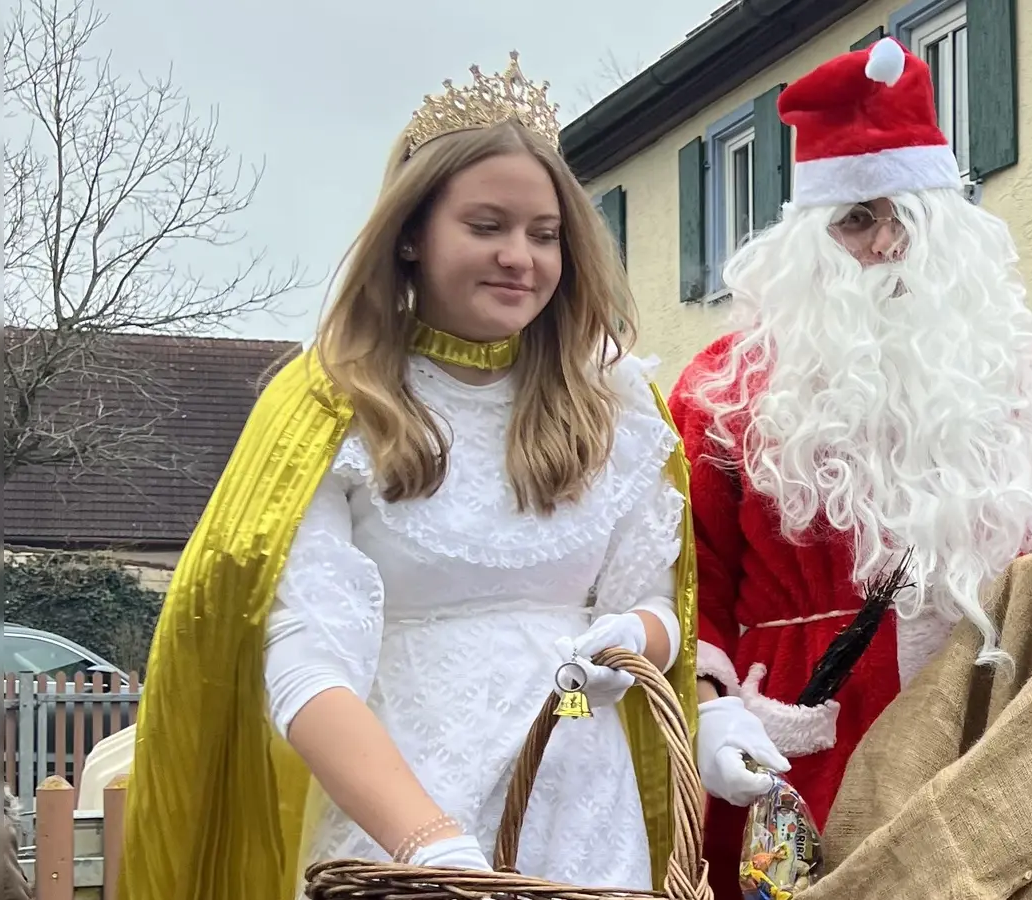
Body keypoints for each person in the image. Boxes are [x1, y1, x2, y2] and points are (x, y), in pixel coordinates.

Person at [120, 54, 701, 900]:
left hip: (581, 789)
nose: (520, 258)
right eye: (487, 225)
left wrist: (624, 646)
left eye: (545, 235)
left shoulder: (617, 402)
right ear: (410, 234)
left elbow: (657, 603)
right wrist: (432, 846)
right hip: (403, 809)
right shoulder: (331, 404)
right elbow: (304, 663)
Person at [668, 37, 1032, 899]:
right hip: (798, 752)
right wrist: (706, 710)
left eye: (906, 214)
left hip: (983, 737)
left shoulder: (1028, 371)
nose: (887, 242)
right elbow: (679, 571)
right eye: (856, 220)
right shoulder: (727, 388)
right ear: (811, 240)